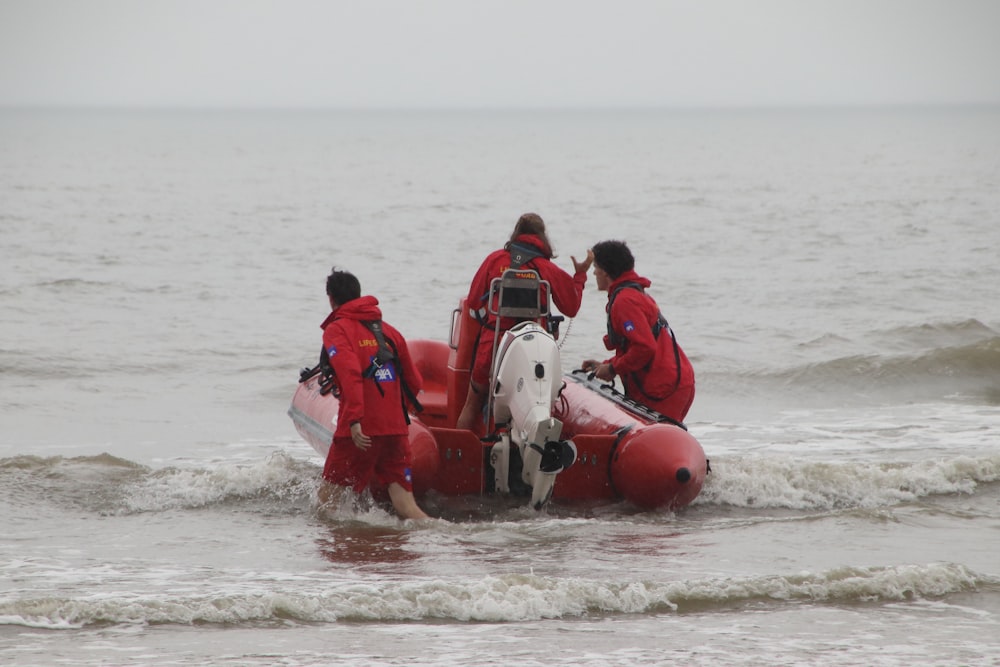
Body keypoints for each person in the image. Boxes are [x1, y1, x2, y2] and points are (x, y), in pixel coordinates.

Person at [456, 213, 592, 432]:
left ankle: (461, 455)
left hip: (493, 345)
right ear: (542, 237)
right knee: (535, 405)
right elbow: (571, 307)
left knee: (471, 404)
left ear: (517, 233)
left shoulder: (495, 260)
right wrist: (580, 275)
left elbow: (473, 301)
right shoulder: (546, 268)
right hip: (532, 347)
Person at [317, 267, 429, 520]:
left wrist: (355, 420)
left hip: (359, 432)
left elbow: (349, 374)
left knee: (325, 507)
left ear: (331, 299)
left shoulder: (337, 330)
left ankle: (342, 553)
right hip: (396, 430)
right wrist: (398, 415)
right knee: (407, 508)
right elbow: (414, 381)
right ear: (357, 294)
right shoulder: (389, 331)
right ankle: (447, 538)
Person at [582, 240, 695, 423]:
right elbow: (636, 346)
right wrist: (606, 365)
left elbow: (645, 347)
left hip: (662, 387)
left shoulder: (624, 301)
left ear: (605, 271)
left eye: (595, 267)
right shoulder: (633, 293)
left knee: (657, 444)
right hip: (677, 380)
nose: (594, 272)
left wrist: (613, 368)